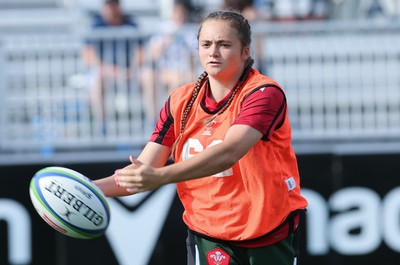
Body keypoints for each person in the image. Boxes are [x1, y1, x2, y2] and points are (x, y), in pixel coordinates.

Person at [95, 10, 308, 265]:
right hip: (208, 234)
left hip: (267, 232)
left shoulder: (264, 93)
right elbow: (144, 170)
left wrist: (160, 177)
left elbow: (229, 153)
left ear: (245, 52)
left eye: (224, 44)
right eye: (206, 44)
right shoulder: (180, 100)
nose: (213, 52)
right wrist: (86, 188)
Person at [82, 0, 142, 134]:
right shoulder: (96, 25)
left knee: (149, 77)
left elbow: (141, 53)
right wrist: (112, 71)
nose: (111, 9)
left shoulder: (130, 24)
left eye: (113, 5)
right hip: (106, 72)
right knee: (96, 81)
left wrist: (131, 70)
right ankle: (101, 126)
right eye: (108, 5)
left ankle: (155, 124)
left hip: (129, 72)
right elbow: (88, 56)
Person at [140, 0, 198, 124]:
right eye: (177, 11)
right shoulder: (163, 28)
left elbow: (195, 58)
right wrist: (166, 41)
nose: (179, 15)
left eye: (182, 12)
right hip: (165, 71)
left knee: (178, 82)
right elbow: (153, 55)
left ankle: (171, 121)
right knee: (148, 76)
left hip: (184, 71)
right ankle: (153, 120)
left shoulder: (191, 30)